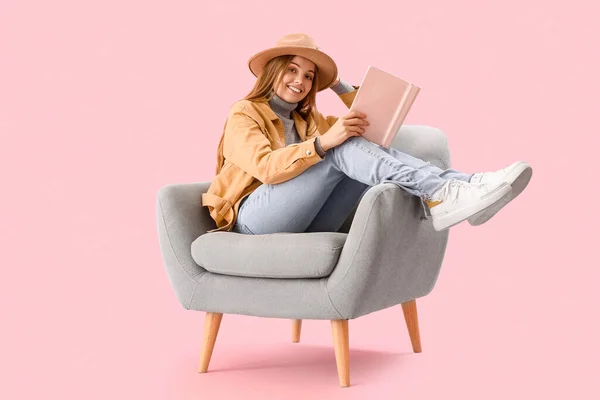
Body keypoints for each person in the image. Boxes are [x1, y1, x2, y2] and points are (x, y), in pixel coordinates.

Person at [202, 33, 532, 234]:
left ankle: (467, 185)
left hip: (308, 219)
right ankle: (444, 193)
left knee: (355, 143)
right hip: (253, 219)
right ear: (274, 71)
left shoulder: (308, 119)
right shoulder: (244, 112)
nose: (300, 82)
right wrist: (321, 144)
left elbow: (370, 121)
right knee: (340, 147)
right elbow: (265, 168)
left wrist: (334, 82)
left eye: (308, 76)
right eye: (291, 70)